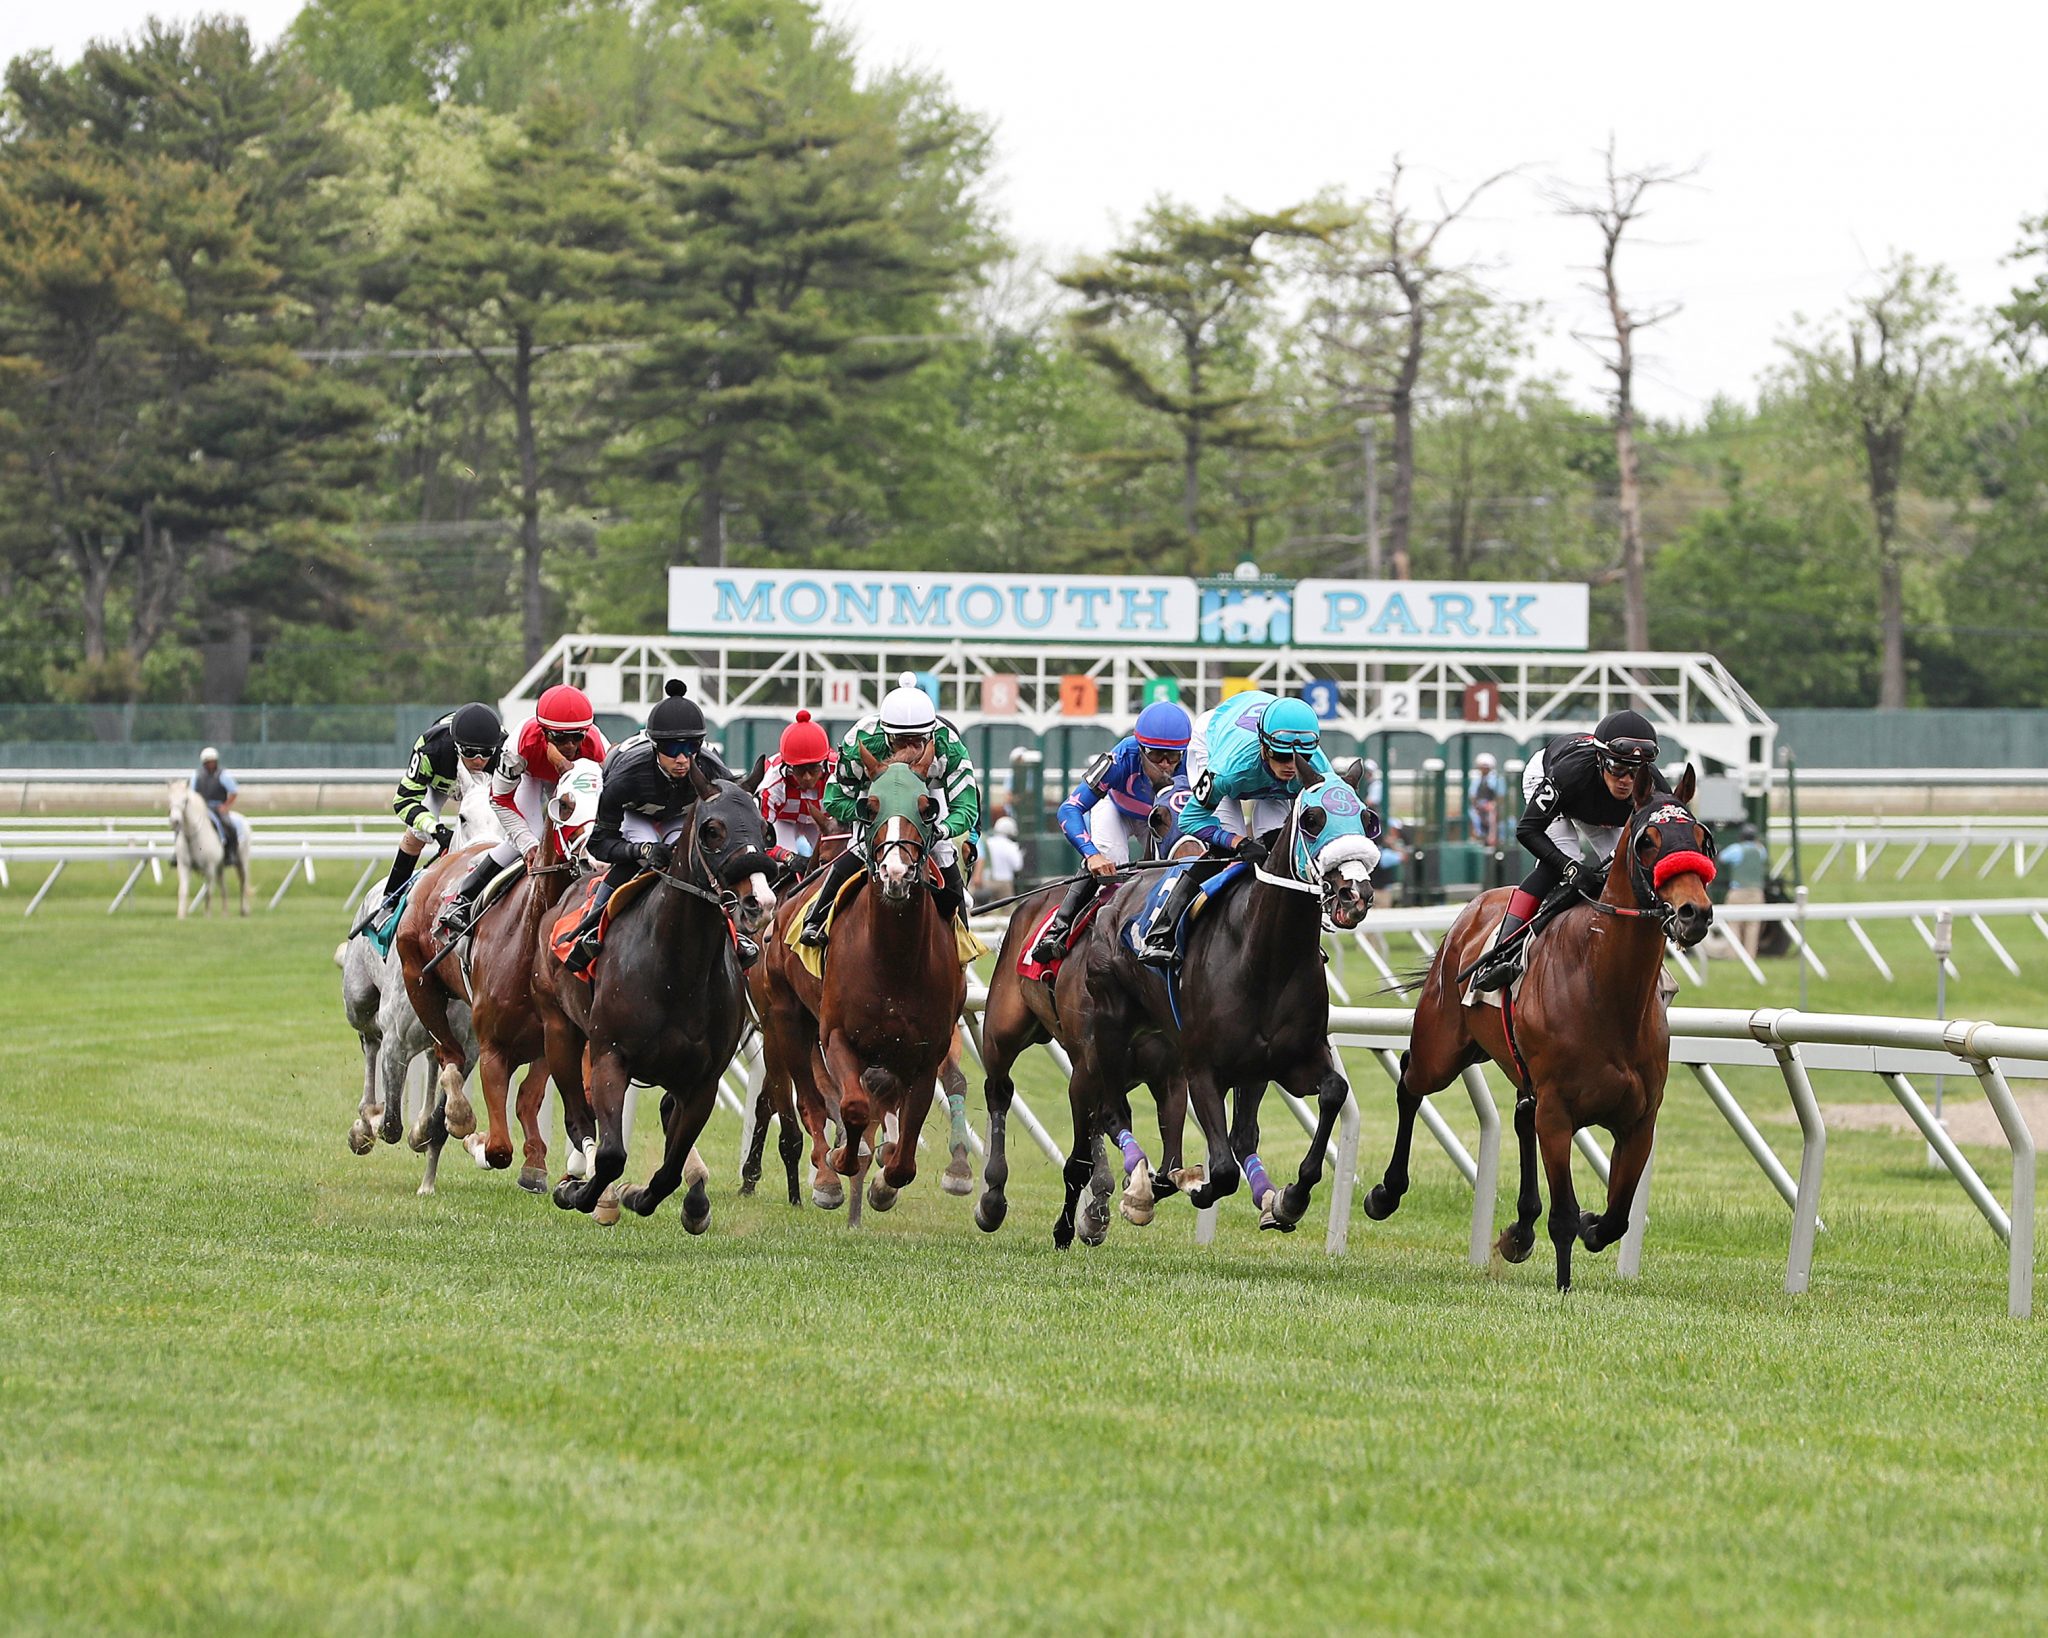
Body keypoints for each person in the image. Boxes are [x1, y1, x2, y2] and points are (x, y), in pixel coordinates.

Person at [1465, 708, 1673, 992]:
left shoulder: (1657, 787)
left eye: (1636, 773)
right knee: (1563, 861)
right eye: (1618, 769)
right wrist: (1570, 868)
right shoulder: (1570, 774)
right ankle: (1505, 949)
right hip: (1555, 784)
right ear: (1600, 759)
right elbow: (1528, 830)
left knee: (1631, 868)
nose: (1626, 780)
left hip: (1599, 810)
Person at [1135, 691, 1337, 966]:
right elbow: (1191, 820)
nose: (1290, 767)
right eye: (1281, 755)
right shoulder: (1228, 770)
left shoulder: (1319, 770)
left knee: (1279, 848)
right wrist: (1237, 842)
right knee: (1225, 852)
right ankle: (1164, 931)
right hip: (1214, 742)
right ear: (1265, 746)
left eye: (1299, 758)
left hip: (1258, 753)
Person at [563, 679, 751, 973]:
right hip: (635, 816)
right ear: (654, 746)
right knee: (639, 864)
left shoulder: (713, 769)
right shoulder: (625, 777)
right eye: (672, 747)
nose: (682, 758)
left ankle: (735, 934)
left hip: (679, 816)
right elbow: (599, 844)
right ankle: (590, 928)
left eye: (691, 747)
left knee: (699, 862)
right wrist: (641, 849)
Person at [799, 674, 982, 948]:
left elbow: (966, 808)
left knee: (943, 852)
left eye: (918, 740)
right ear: (885, 734)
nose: (910, 748)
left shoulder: (949, 746)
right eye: (901, 741)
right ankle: (815, 920)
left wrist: (941, 829)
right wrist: (866, 813)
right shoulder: (860, 740)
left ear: (931, 733)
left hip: (925, 793)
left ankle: (962, 936)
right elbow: (834, 800)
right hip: (877, 796)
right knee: (859, 847)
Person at [435, 685, 608, 934]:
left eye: (577, 736)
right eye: (560, 738)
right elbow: (499, 798)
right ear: (543, 731)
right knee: (533, 835)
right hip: (531, 775)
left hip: (577, 779)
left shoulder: (597, 748)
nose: (570, 745)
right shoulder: (520, 747)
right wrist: (527, 843)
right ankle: (464, 898)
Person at [1030, 700, 1192, 964]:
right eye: (1156, 755)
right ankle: (1059, 929)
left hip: (1157, 816)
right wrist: (1092, 854)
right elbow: (1069, 809)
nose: (1165, 764)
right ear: (1140, 749)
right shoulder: (1120, 758)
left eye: (1172, 756)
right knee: (1111, 862)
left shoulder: (1192, 765)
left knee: (1172, 866)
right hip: (1116, 809)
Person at [373, 702, 504, 915]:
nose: (478, 760)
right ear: (457, 745)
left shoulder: (504, 753)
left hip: (485, 788)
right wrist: (437, 831)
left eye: (486, 752)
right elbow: (403, 801)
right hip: (441, 784)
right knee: (419, 831)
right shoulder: (431, 748)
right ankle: (391, 898)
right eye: (470, 752)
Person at [756, 709, 836, 868]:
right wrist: (787, 856)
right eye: (799, 770)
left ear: (824, 763)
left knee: (832, 863)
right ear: (788, 767)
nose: (807, 777)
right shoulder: (771, 784)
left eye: (813, 768)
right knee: (781, 867)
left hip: (822, 821)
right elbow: (761, 839)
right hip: (784, 820)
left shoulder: (839, 771)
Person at [1716, 821, 1769, 957]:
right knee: (1753, 926)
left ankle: (1733, 955)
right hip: (1756, 892)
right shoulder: (1760, 850)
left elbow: (1722, 858)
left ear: (1741, 837)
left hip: (1738, 892)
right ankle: (1750, 955)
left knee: (1734, 924)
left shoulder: (1736, 849)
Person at [192, 746, 250, 867]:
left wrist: (225, 806)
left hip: (218, 808)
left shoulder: (223, 775)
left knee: (230, 826)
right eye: (208, 762)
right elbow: (192, 793)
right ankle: (179, 854)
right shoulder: (197, 776)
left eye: (213, 761)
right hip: (202, 808)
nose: (211, 764)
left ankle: (231, 853)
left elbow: (233, 792)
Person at [982, 813, 1025, 901]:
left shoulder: (988, 842)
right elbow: (1017, 866)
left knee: (985, 912)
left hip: (987, 881)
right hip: (1005, 882)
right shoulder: (1011, 846)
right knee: (1008, 912)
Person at [1466, 751, 1503, 848]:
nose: (1483, 769)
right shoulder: (1476, 779)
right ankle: (1478, 836)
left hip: (1491, 807)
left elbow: (1500, 796)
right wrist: (1477, 805)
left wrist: (1493, 805)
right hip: (1479, 807)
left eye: (1486, 767)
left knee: (1492, 820)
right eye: (1482, 767)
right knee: (1474, 817)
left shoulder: (1496, 779)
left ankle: (1493, 839)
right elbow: (1472, 795)